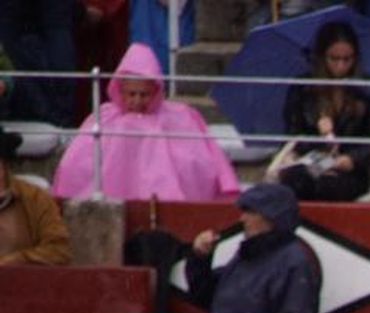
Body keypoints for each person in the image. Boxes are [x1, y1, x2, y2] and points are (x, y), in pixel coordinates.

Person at [51, 42, 240, 202]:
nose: (137, 101)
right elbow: (76, 161)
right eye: (132, 94)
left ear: (156, 91)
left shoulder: (181, 114)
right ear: (121, 90)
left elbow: (199, 160)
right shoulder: (104, 116)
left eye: (144, 94)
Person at [276, 20, 370, 203]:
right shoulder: (303, 87)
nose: (341, 66)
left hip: (350, 169)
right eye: (334, 59)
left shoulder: (368, 87)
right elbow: (291, 135)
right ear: (322, 57)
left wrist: (352, 159)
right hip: (311, 163)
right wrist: (320, 140)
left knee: (330, 186)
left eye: (347, 59)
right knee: (297, 182)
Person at [184, 183, 318, 313]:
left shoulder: (293, 263)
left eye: (251, 212)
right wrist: (200, 258)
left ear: (273, 218)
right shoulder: (247, 255)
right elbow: (207, 297)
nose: (242, 219)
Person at [0, 126, 71, 266]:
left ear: (3, 161)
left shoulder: (35, 198)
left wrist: (16, 260)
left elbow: (59, 250)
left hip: (20, 278)